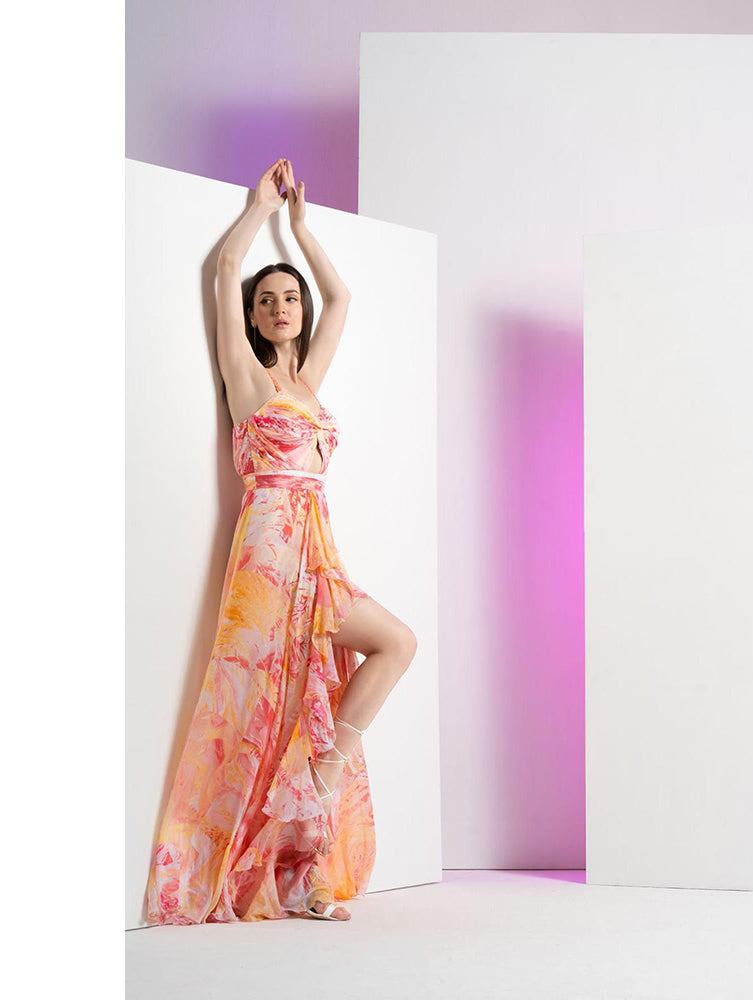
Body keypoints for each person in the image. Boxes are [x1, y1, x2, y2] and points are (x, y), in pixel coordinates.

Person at [145, 158, 417, 924]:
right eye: (266, 301)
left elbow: (343, 298)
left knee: (393, 644)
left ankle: (317, 798)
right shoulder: (248, 378)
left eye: (288, 297)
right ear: (253, 317)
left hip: (317, 547)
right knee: (268, 710)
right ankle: (281, 871)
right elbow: (225, 266)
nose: (280, 307)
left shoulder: (308, 382)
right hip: (268, 550)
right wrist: (261, 210)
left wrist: (301, 228)